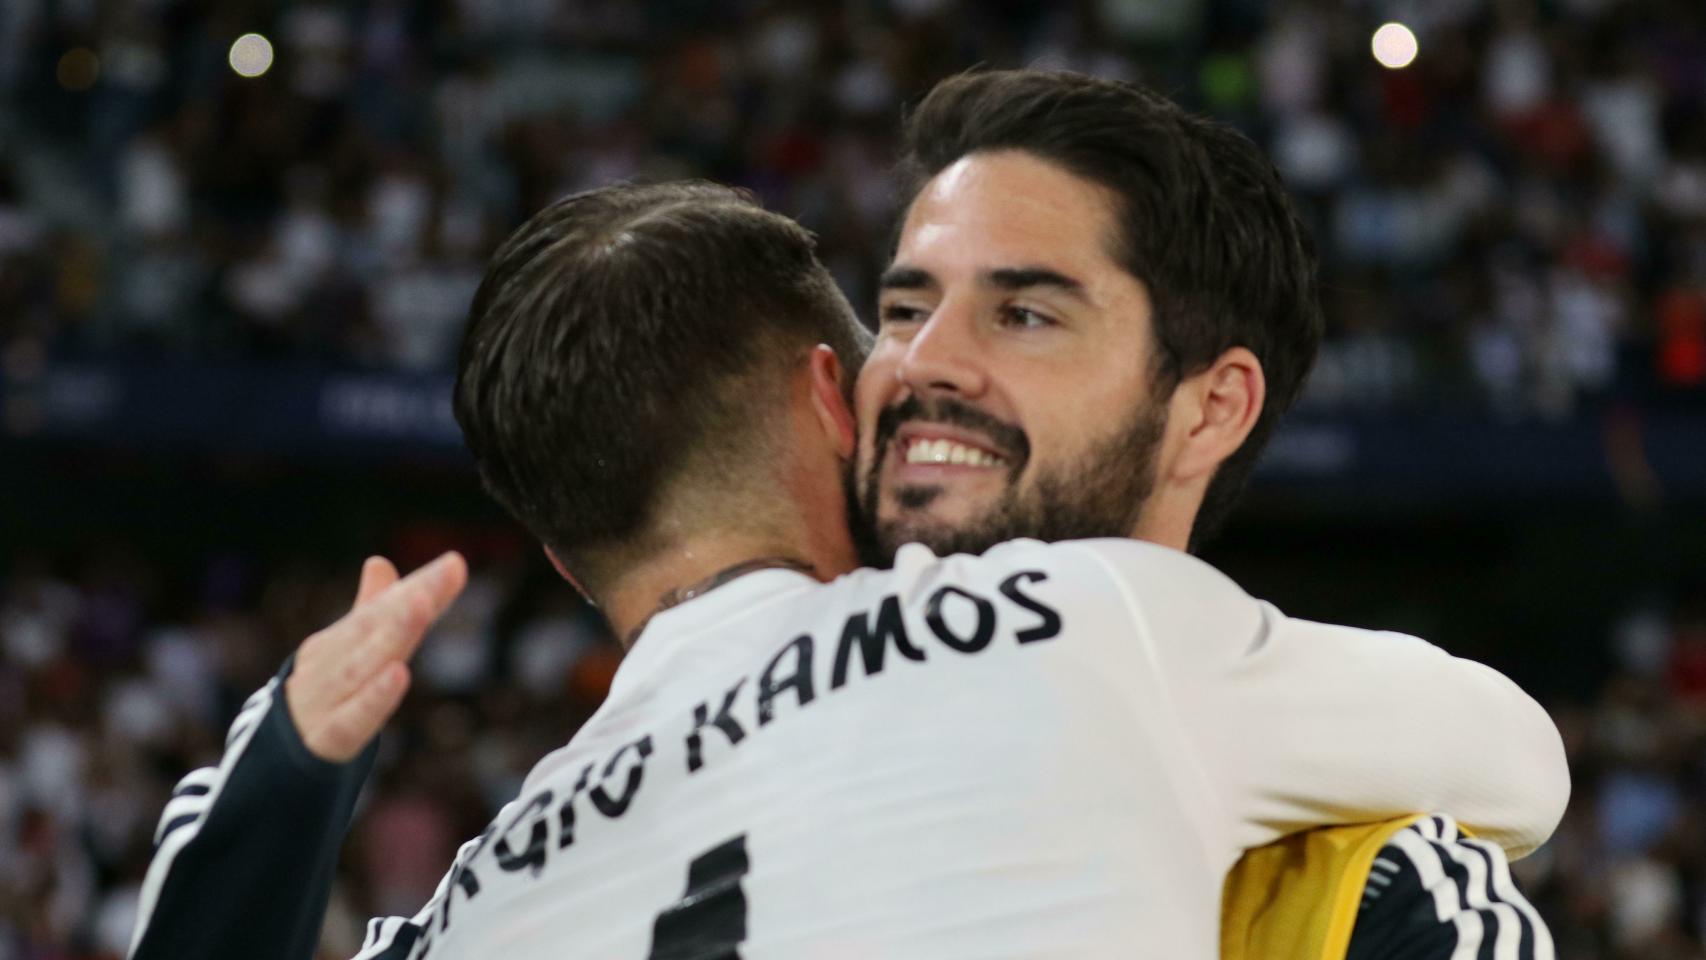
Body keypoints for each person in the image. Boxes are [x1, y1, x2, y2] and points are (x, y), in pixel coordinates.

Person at [128, 174, 1565, 959]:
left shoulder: (464, 911)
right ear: (834, 396)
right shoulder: (1079, 614)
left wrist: (291, 773)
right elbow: (1517, 765)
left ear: (565, 557)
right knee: (1405, 886)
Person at [852, 71, 1560, 959]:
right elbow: (1518, 759)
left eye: (1025, 314)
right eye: (904, 308)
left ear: (1214, 407)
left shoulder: (1360, 903)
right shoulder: (716, 734)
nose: (923, 360)